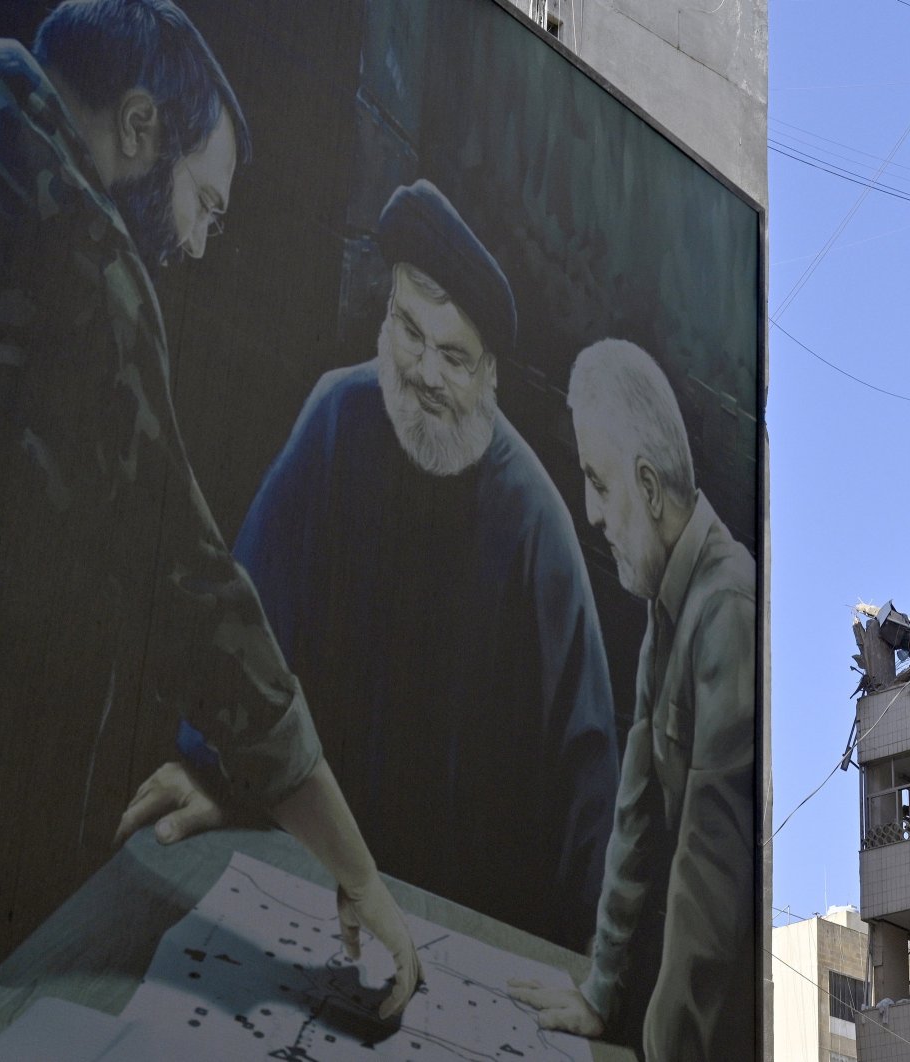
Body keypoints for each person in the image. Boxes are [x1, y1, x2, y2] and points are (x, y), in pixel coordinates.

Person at [0, 0, 416, 1019]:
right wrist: (358, 871)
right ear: (141, 126)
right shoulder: (81, 250)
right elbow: (192, 589)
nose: (200, 247)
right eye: (206, 202)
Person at [169, 179, 620, 950]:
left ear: (489, 377)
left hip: (470, 930)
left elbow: (589, 783)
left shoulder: (536, 522)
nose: (422, 372)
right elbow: (243, 630)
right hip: (303, 874)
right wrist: (211, 779)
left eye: (452, 355)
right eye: (409, 331)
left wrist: (588, 969)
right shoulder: (336, 419)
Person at [510, 339, 757, 1059]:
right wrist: (599, 990)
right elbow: (636, 817)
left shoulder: (727, 611)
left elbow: (706, 882)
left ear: (648, 487)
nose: (589, 512)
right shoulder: (669, 607)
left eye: (597, 480)